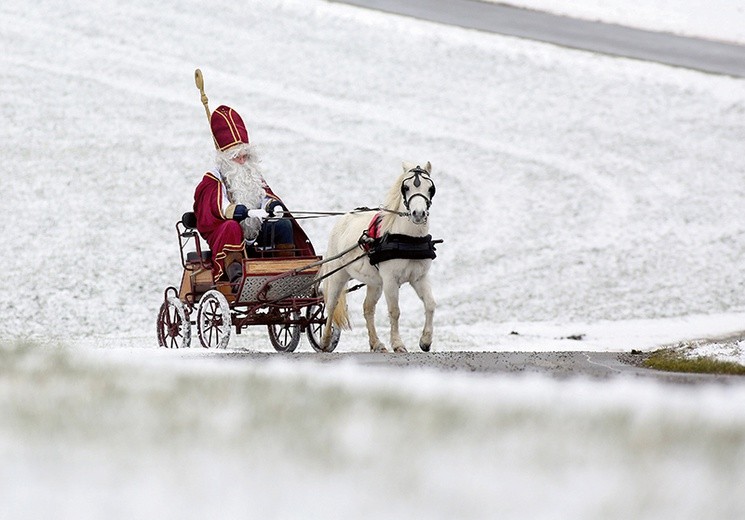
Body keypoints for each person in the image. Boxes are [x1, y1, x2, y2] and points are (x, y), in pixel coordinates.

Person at [193, 105, 308, 285]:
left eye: (245, 155)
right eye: (236, 156)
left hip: (255, 230)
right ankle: (236, 277)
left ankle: (286, 273)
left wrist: (272, 205)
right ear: (224, 158)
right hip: (229, 232)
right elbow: (212, 208)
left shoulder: (251, 174)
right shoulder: (213, 180)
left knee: (283, 225)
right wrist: (234, 210)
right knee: (231, 227)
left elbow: (263, 195)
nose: (242, 161)